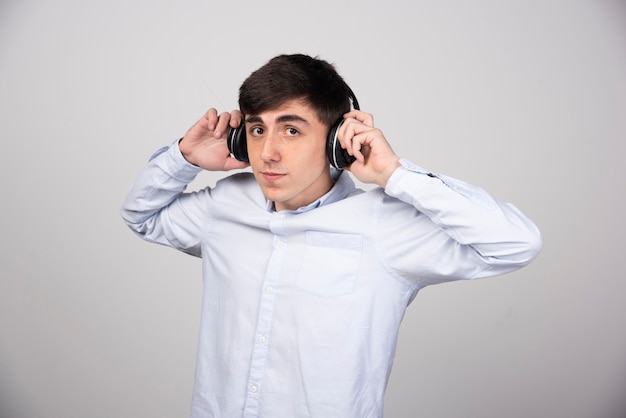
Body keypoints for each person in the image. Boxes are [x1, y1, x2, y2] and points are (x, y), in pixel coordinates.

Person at [121, 53, 542, 418]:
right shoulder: (224, 207)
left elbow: (516, 244)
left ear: (336, 141)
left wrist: (395, 175)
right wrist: (183, 158)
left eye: (291, 130)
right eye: (256, 129)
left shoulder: (384, 227)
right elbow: (142, 215)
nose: (268, 152)